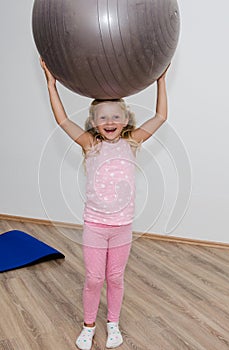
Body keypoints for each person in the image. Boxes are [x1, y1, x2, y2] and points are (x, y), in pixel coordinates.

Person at [40, 57, 169, 350]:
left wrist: (161, 81)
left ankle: (113, 324)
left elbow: (160, 117)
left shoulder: (132, 142)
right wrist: (51, 84)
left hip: (122, 227)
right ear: (93, 123)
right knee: (94, 278)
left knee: (115, 278)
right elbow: (62, 120)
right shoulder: (90, 145)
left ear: (125, 120)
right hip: (96, 227)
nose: (109, 122)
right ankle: (88, 326)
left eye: (115, 116)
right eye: (102, 118)